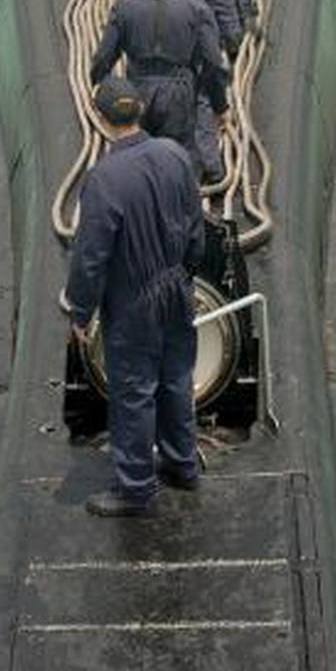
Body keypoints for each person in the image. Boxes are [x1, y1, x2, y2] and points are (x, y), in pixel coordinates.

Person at [66, 77, 205, 516]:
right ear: (140, 110)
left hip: (134, 301)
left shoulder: (104, 179)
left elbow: (91, 256)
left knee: (133, 391)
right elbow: (196, 225)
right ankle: (182, 465)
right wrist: (185, 274)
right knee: (176, 378)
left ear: (101, 119)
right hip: (177, 286)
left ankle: (136, 489)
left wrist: (80, 312)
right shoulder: (175, 155)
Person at [90, 0, 229, 165]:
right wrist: (220, 105)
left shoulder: (124, 5)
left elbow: (104, 56)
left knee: (137, 153)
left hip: (137, 89)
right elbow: (213, 62)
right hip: (179, 92)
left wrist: (98, 85)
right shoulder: (196, 7)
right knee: (179, 155)